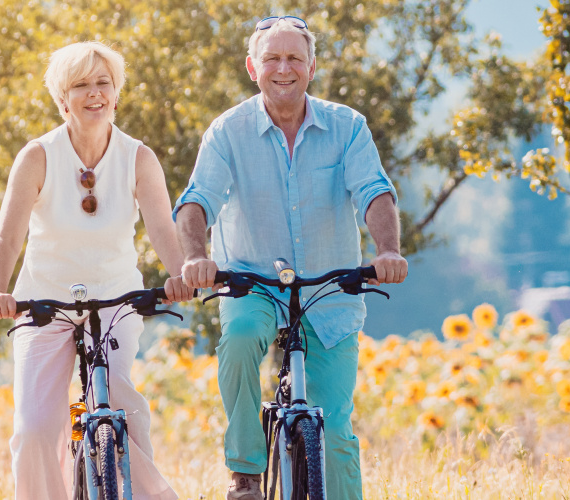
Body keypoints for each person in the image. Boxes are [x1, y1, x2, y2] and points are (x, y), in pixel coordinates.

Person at [175, 15, 410, 500]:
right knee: (239, 337)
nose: (284, 69)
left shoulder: (347, 126)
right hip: (252, 284)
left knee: (336, 433)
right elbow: (197, 200)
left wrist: (388, 251)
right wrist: (196, 258)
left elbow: (373, 191)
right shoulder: (228, 131)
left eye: (294, 59)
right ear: (252, 67)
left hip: (329, 290)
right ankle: (245, 473)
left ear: (312, 67)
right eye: (272, 59)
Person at [0, 40, 191, 500]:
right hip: (44, 304)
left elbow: (163, 228)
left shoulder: (139, 157)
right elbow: (7, 237)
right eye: (81, 85)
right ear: (62, 99)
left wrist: (180, 274)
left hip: (116, 302)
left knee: (123, 409)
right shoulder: (37, 156)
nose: (94, 93)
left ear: (116, 94)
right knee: (35, 428)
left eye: (104, 83)